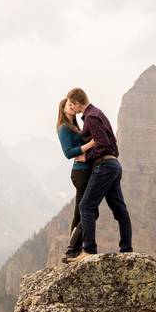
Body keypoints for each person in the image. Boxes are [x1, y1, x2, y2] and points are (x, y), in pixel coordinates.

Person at [64, 87, 132, 263]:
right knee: (119, 210)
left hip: (104, 166)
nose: (72, 107)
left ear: (78, 103)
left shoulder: (91, 118)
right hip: (114, 165)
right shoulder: (98, 113)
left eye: (72, 104)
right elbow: (112, 143)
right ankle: (126, 249)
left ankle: (89, 250)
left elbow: (102, 143)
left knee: (86, 206)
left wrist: (87, 156)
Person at [56, 98, 96, 263]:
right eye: (69, 104)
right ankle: (72, 249)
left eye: (73, 104)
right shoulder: (64, 127)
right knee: (89, 210)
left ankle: (73, 251)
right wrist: (91, 144)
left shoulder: (75, 125)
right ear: (63, 107)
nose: (72, 107)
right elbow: (68, 152)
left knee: (80, 212)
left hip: (85, 171)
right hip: (80, 174)